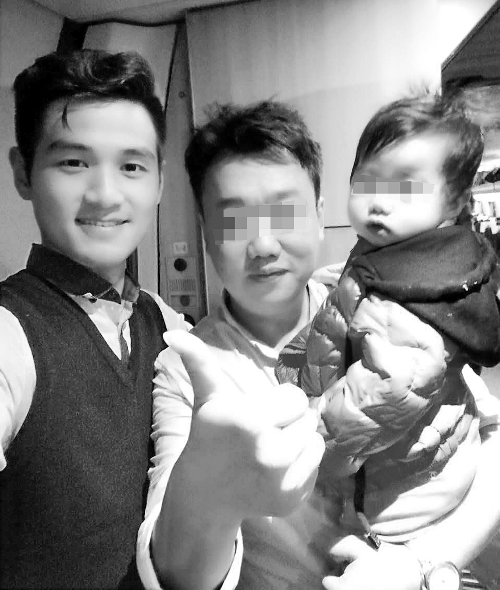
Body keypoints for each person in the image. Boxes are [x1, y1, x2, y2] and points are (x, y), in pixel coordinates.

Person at [137, 98, 500, 590]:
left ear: (319, 214)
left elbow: (491, 436)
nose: (263, 245)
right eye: (233, 221)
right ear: (205, 233)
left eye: (284, 212)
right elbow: (177, 574)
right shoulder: (187, 369)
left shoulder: (383, 301)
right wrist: (207, 494)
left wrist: (420, 565)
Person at [0, 49, 191, 588]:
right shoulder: (11, 330)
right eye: (73, 163)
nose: (105, 195)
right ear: (23, 172)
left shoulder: (165, 321)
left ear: (159, 182)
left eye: (132, 167)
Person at [301, 91, 500, 589]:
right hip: (398, 459)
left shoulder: (420, 291)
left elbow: (385, 392)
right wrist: (296, 369)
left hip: (411, 490)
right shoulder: (386, 255)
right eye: (366, 181)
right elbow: (338, 325)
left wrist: (310, 436)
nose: (379, 201)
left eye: (405, 188)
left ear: (452, 203)